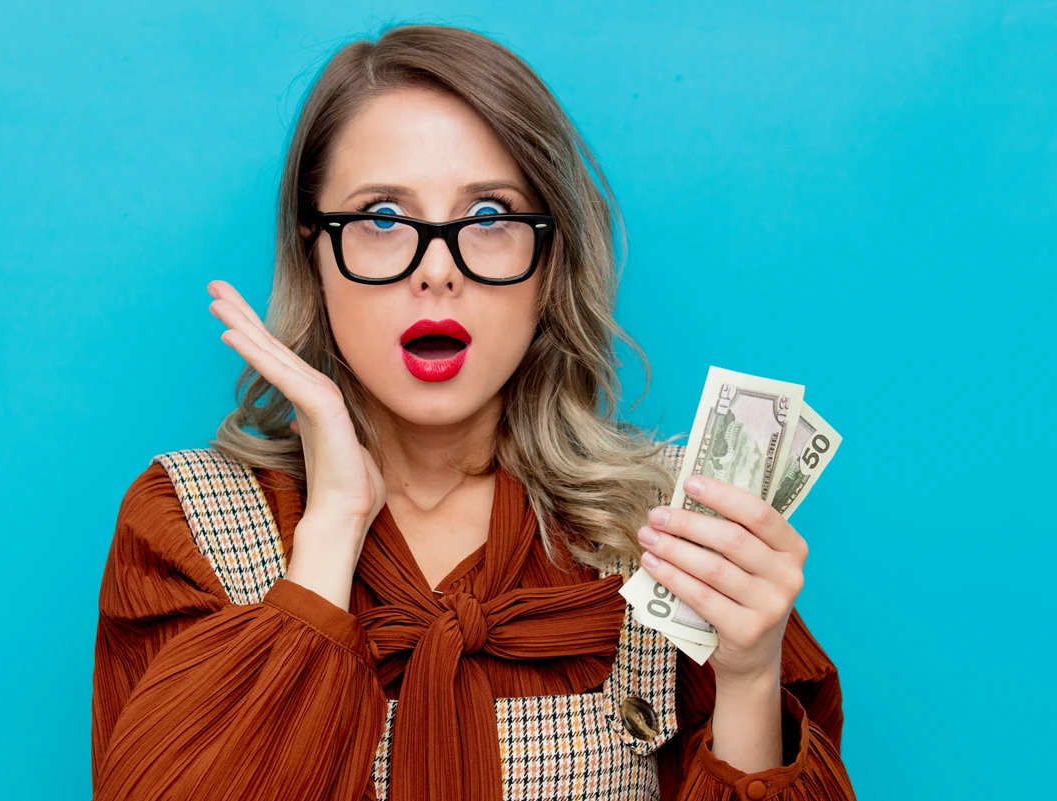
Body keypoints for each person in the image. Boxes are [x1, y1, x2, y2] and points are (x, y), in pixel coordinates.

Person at [91, 23, 857, 801]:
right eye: (382, 218)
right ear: (314, 248)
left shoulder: (668, 532)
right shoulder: (184, 527)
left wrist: (752, 676)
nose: (435, 272)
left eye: (489, 217)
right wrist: (329, 537)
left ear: (548, 259)